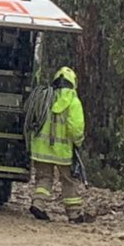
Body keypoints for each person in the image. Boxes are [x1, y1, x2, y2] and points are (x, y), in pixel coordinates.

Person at [29, 66, 92, 223]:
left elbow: (33, 120)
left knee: (44, 178)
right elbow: (76, 128)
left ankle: (38, 204)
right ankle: (74, 214)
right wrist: (78, 143)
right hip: (64, 152)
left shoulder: (44, 97)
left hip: (41, 149)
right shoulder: (73, 101)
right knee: (69, 181)